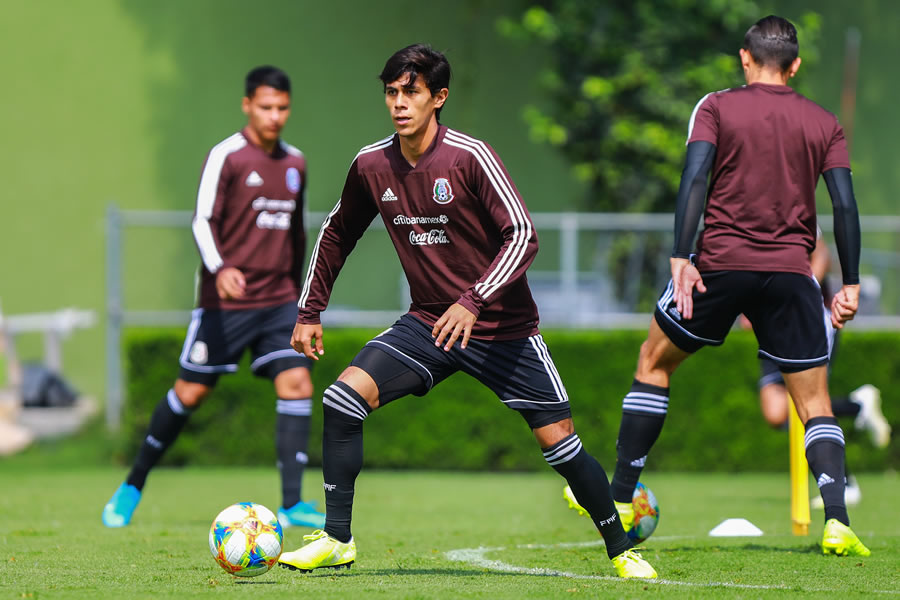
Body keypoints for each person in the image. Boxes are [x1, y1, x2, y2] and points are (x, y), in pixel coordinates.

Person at [275, 44, 657, 579]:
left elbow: (522, 235)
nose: (399, 103)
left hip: (504, 331)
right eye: (392, 92)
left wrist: (473, 300)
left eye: (412, 92)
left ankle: (622, 549)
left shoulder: (469, 157)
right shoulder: (370, 165)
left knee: (562, 447)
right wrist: (309, 310)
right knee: (342, 400)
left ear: (439, 97)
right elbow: (336, 234)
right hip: (429, 323)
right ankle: (337, 538)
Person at [568, 15, 871, 557]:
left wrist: (682, 256)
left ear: (745, 58)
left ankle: (617, 497)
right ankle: (838, 522)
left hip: (719, 266)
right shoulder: (824, 121)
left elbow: (695, 179)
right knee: (815, 403)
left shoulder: (715, 107)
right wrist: (847, 283)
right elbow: (845, 207)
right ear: (796, 65)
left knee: (653, 363)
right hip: (791, 275)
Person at [102, 66, 324, 530]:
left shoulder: (296, 163)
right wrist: (220, 268)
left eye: (283, 107)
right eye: (266, 107)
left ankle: (291, 503)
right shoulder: (227, 156)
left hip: (279, 298)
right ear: (247, 105)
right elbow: (202, 221)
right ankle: (132, 484)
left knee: (297, 384)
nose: (275, 116)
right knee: (191, 392)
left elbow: (298, 235)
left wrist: (304, 297)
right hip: (226, 303)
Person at [756, 234, 891, 508]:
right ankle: (856, 405)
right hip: (772, 321)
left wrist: (793, 292)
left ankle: (842, 484)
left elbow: (821, 256)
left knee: (808, 402)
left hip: (810, 316)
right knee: (776, 413)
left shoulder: (794, 205)